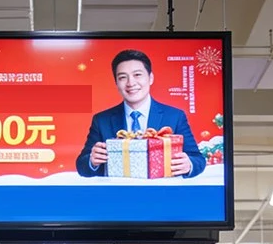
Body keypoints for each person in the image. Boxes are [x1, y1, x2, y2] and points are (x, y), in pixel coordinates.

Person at [76, 49, 206, 179]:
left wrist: (188, 165)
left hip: (161, 195)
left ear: (150, 78)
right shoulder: (102, 120)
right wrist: (92, 161)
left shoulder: (174, 116)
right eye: (122, 77)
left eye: (137, 75)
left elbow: (198, 159)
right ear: (116, 83)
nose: (131, 83)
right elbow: (82, 165)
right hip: (118, 196)